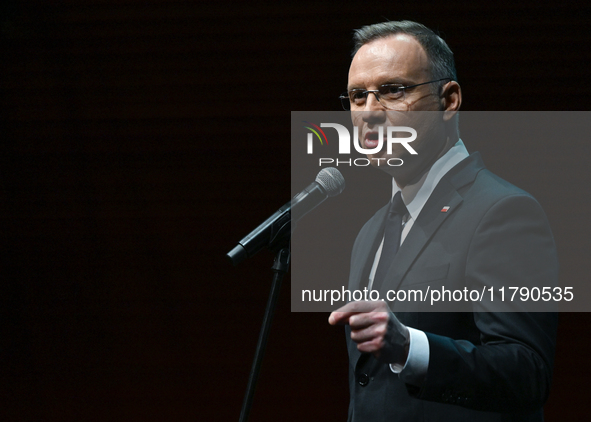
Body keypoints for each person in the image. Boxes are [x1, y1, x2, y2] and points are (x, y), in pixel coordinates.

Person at [328, 21, 558, 421]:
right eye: (356, 96)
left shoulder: (503, 212)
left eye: (392, 90)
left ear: (448, 100)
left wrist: (409, 347)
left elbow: (527, 374)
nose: (369, 112)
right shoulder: (370, 232)